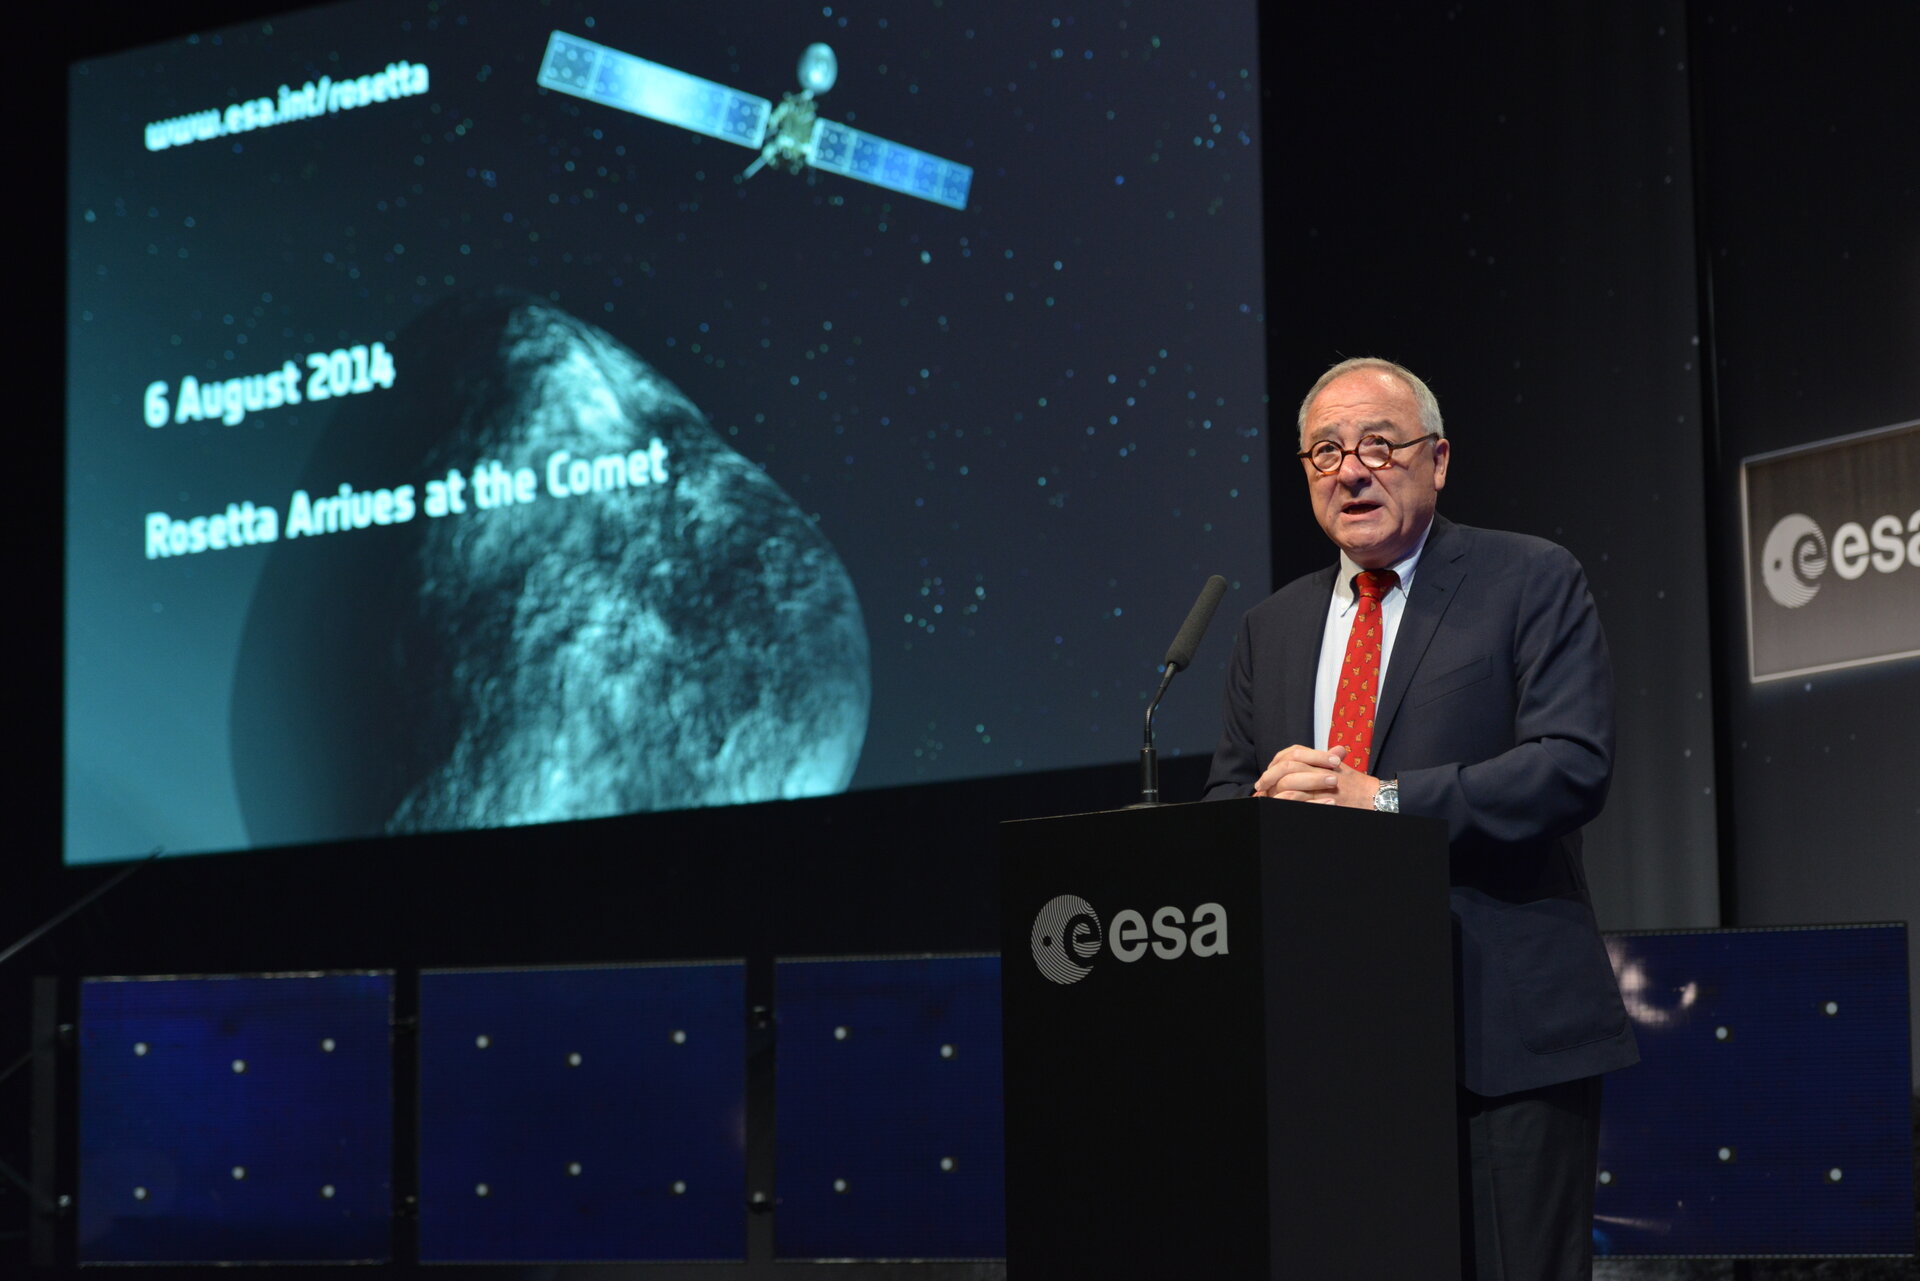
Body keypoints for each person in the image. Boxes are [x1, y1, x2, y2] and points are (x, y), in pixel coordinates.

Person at [1204, 357, 1637, 1281]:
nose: (1350, 469)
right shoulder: (1267, 630)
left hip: (1502, 1037)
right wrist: (1261, 810)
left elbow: (1571, 764)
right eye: (1324, 451)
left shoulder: (1526, 577)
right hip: (1329, 1052)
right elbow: (1225, 806)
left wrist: (1386, 800)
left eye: (1377, 445)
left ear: (1437, 460)